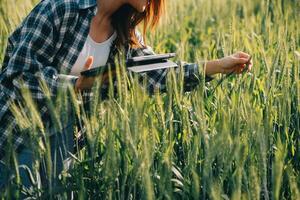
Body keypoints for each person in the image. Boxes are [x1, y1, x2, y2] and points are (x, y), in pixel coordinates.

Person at [0, 0, 252, 194]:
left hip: (65, 141)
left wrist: (218, 65)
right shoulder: (60, 9)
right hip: (18, 135)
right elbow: (17, 75)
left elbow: (158, 75)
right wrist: (76, 84)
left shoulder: (125, 34)